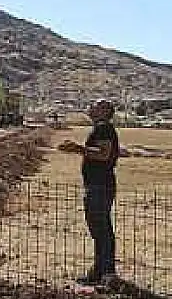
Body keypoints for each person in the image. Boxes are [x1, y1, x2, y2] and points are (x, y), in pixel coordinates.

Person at [59, 99, 120, 286]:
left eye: (95, 105)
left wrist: (77, 148)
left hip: (99, 186)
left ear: (104, 111)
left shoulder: (103, 128)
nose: (90, 107)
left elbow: (104, 154)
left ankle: (106, 273)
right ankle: (100, 271)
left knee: (101, 230)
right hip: (98, 185)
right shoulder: (102, 128)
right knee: (100, 230)